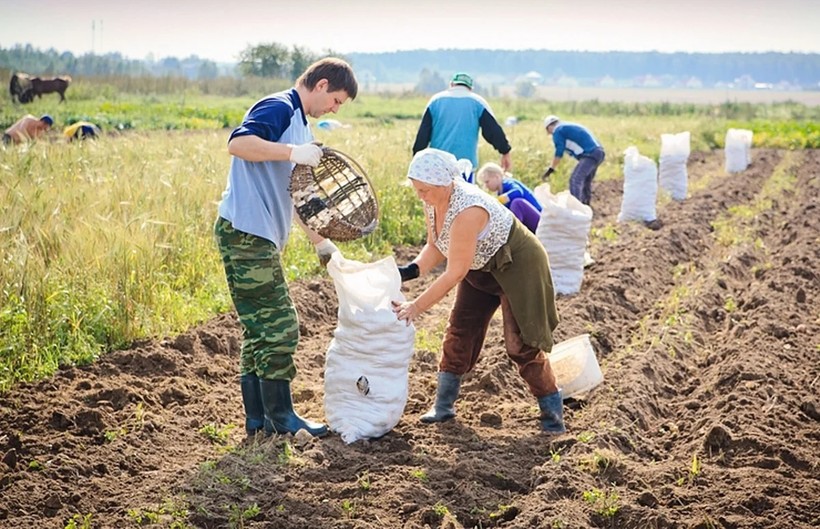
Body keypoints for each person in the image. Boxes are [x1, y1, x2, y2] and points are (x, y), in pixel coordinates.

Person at [214, 57, 358, 439]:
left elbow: (298, 198)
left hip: (257, 233)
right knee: (280, 327)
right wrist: (292, 152)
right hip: (246, 230)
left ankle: (258, 420)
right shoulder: (279, 106)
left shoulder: (299, 123)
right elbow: (238, 143)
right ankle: (283, 419)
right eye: (337, 100)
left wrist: (322, 243)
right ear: (323, 84)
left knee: (258, 329)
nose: (335, 109)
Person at [392, 148, 566, 435]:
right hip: (480, 266)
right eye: (416, 189)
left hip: (517, 266)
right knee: (460, 330)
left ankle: (552, 414)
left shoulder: (468, 210)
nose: (420, 195)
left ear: (444, 184)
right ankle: (443, 407)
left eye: (424, 189)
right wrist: (410, 271)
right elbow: (436, 245)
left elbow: (454, 272)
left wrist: (416, 307)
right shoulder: (433, 201)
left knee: (519, 344)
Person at [412, 72, 512, 183]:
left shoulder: (435, 101)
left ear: (451, 85)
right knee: (464, 199)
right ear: (470, 88)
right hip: (466, 167)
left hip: (438, 165)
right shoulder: (477, 102)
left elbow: (423, 134)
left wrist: (417, 161)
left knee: (436, 199)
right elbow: (493, 131)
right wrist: (505, 151)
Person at [542, 115, 605, 206]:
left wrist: (551, 168)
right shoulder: (566, 126)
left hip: (589, 154)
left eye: (548, 131)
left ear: (549, 127)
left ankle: (576, 207)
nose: (550, 134)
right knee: (585, 180)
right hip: (598, 152)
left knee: (575, 179)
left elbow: (559, 151)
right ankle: (585, 206)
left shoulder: (558, 131)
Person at [477, 162, 542, 233]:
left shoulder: (507, 183)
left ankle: (515, 232)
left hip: (540, 220)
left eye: (487, 182)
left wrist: (499, 200)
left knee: (517, 203)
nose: (486, 186)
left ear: (497, 176)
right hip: (532, 223)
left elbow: (518, 191)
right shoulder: (500, 192)